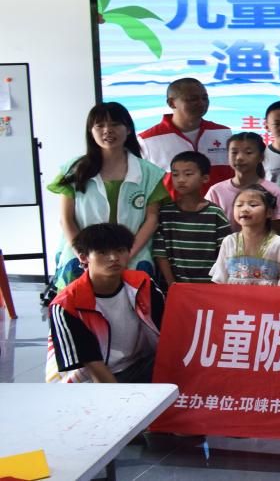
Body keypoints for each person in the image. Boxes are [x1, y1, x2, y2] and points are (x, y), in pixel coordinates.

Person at [49, 102, 168, 288]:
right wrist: (83, 254)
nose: (107, 130)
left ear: (128, 129)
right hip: (82, 254)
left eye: (115, 124)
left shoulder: (150, 173)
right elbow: (66, 219)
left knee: (136, 296)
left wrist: (127, 254)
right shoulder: (73, 170)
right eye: (100, 125)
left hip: (133, 253)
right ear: (91, 131)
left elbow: (151, 220)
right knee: (78, 297)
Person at [46, 223, 165, 383]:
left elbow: (166, 330)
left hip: (138, 365)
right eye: (102, 252)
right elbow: (93, 367)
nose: (114, 258)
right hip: (90, 379)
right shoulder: (66, 305)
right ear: (83, 257)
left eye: (120, 250)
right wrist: (122, 396)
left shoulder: (143, 284)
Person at [137, 77, 233, 193]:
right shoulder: (147, 140)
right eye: (193, 99)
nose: (201, 103)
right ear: (172, 103)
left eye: (204, 98)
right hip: (171, 205)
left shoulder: (223, 132)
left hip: (220, 204)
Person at [154, 151, 231, 286]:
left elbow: (225, 254)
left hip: (209, 287)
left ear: (205, 178)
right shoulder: (165, 213)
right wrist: (172, 284)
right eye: (175, 174)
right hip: (173, 287)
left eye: (188, 174)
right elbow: (160, 253)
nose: (181, 179)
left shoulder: (215, 214)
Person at [204, 131, 280, 234]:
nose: (239, 157)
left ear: (261, 157)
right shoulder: (216, 191)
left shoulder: (274, 191)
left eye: (248, 152)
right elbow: (208, 227)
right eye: (234, 152)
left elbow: (276, 233)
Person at [209, 185, 280, 286]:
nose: (244, 209)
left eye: (253, 205)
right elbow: (220, 279)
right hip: (233, 296)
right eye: (239, 205)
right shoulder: (229, 241)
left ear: (269, 212)